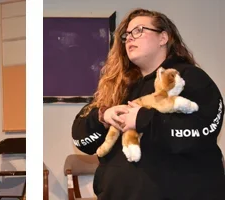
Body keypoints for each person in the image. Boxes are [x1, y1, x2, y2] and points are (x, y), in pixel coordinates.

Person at [71, 8, 225, 200]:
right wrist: (102, 116)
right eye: (127, 35)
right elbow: (80, 139)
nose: (130, 38)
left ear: (163, 38)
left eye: (139, 30)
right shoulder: (116, 87)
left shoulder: (188, 79)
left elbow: (202, 131)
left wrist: (143, 118)